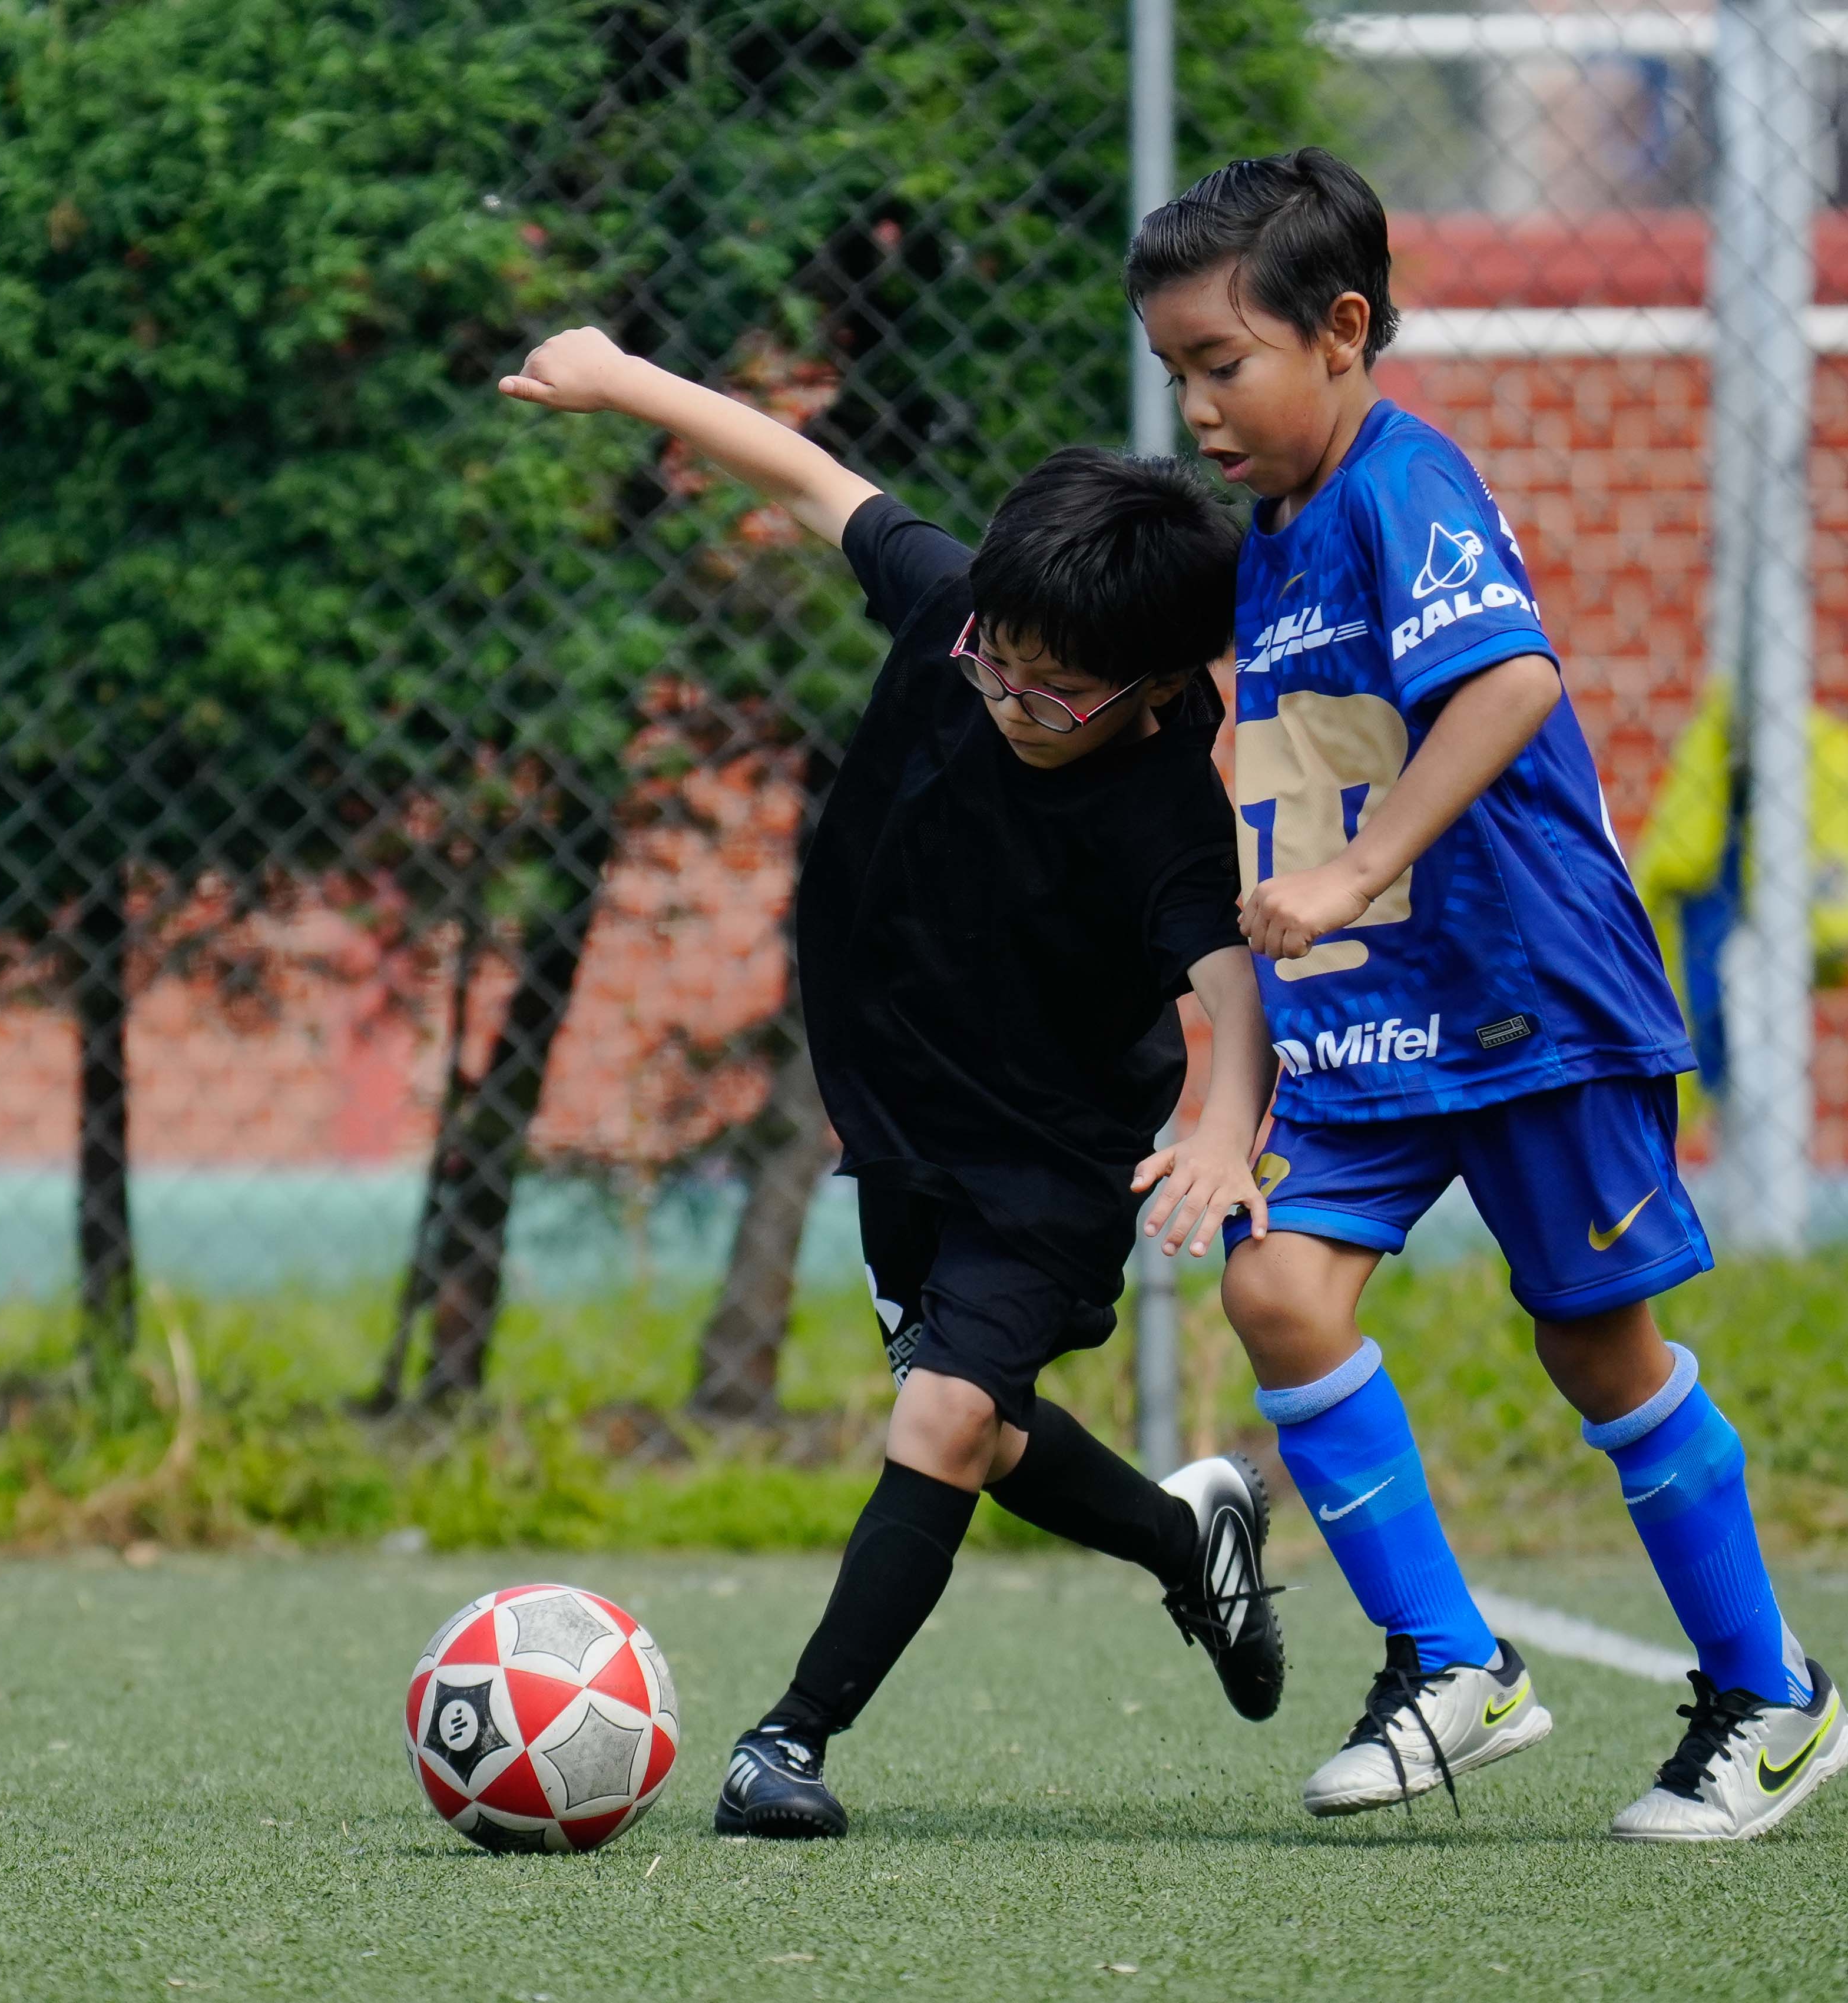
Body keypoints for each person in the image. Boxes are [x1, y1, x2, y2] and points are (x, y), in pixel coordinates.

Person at [1132, 149, 1848, 1840]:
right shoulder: (1262, 546)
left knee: (1593, 1345)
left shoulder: (1407, 483)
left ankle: (1771, 1698)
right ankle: (1453, 1663)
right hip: (1371, 1019)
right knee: (1281, 1295)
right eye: (1176, 373)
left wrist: (1350, 869)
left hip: (1533, 996)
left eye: (1219, 364)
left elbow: (1512, 681)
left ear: (1341, 329)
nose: (1199, 405)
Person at [500, 329, 1287, 1840]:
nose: (1008, 699)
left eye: (1057, 696)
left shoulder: (1164, 818)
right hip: (901, 1121)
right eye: (998, 662)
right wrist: (615, 377)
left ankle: (784, 1743)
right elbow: (803, 475)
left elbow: (1228, 989)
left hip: (1054, 1156)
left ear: (1155, 689)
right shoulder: (957, 617)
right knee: (978, 1431)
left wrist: (1220, 1122)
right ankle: (1187, 1536)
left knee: (935, 1419)